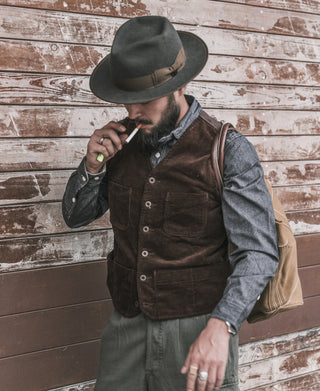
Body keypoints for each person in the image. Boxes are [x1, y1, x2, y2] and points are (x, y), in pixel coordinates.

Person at [62, 16, 279, 391]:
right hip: (125, 329)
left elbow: (258, 252)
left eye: (144, 100)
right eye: (126, 101)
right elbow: (75, 216)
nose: (133, 113)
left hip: (198, 330)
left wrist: (221, 326)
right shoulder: (121, 145)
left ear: (179, 87)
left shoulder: (227, 150)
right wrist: (92, 166)